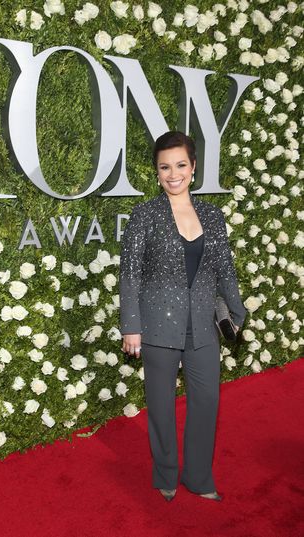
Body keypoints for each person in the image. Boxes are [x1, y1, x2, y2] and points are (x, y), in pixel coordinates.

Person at [119, 131, 247, 502]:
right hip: (157, 324)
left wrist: (236, 313)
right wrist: (131, 326)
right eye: (164, 167)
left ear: (193, 167)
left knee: (206, 403)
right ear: (157, 172)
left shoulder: (212, 214)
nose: (172, 174)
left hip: (204, 326)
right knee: (160, 405)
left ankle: (199, 476)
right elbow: (130, 274)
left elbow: (225, 268)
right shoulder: (145, 215)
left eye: (180, 165)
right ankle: (166, 475)